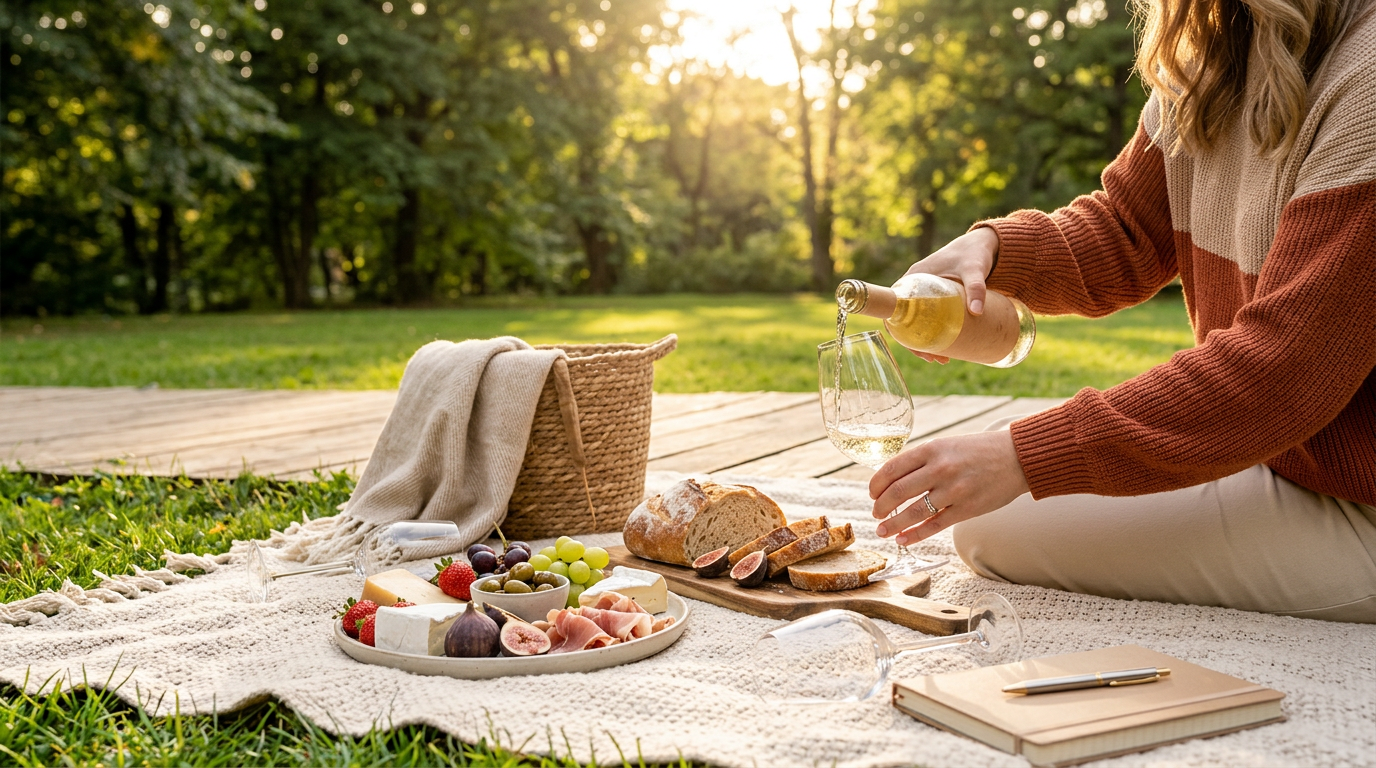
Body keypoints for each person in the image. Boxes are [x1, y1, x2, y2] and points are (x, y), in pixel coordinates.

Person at [869, 0, 1376, 622]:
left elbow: (1282, 373)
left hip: (1361, 503)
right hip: (1283, 460)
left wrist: (1022, 456)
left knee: (991, 525)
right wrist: (994, 248)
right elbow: (1126, 231)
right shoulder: (1213, 56)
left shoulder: (1365, 80)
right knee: (992, 520)